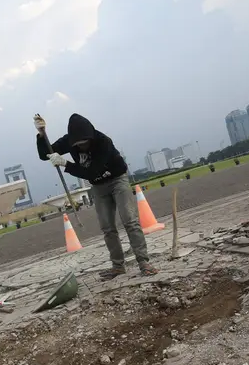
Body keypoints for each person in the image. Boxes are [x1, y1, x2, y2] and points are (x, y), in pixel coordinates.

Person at [34, 113, 159, 279]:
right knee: (107, 227)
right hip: (98, 187)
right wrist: (41, 134)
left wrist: (66, 164)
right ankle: (118, 266)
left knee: (130, 220)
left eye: (85, 142)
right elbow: (45, 154)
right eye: (78, 144)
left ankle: (143, 262)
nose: (82, 146)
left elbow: (93, 171)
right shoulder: (69, 141)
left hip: (117, 180)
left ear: (90, 137)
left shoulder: (103, 141)